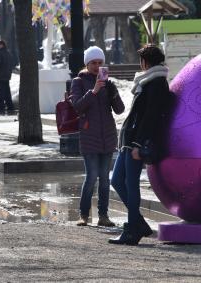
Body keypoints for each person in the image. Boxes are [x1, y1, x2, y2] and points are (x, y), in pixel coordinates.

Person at [109, 44, 172, 245]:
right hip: (128, 140)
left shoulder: (156, 83)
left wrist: (138, 143)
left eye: (141, 60)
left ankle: (132, 230)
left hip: (135, 141)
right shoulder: (147, 81)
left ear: (146, 62)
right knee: (117, 181)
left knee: (130, 183)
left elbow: (150, 117)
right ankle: (139, 223)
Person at [70, 46, 125, 227]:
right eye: (93, 63)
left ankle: (103, 216)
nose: (97, 66)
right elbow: (77, 106)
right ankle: (84, 214)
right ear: (87, 63)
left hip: (107, 136)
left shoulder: (108, 84)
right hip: (89, 135)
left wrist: (113, 91)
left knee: (104, 178)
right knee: (92, 176)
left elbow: (120, 110)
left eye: (100, 62)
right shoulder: (78, 82)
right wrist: (93, 91)